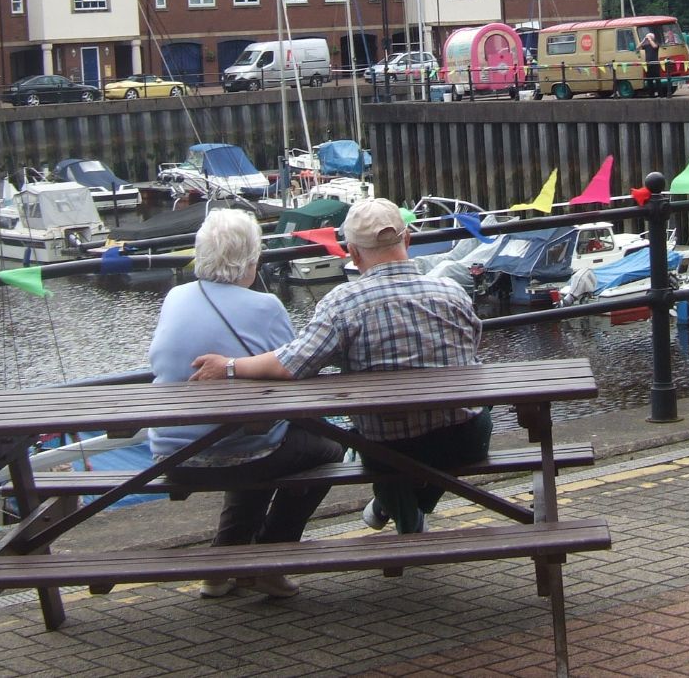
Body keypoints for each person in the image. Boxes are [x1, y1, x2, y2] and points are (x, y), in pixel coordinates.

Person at [190, 198, 488, 536]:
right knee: (461, 424)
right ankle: (402, 510)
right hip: (465, 440)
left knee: (379, 445)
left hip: (390, 446)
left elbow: (292, 364)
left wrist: (229, 366)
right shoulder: (453, 292)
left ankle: (400, 512)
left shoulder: (343, 303)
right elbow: (472, 349)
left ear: (353, 253)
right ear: (407, 240)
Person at [148, 208, 344, 599]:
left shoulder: (175, 297)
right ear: (252, 260)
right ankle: (270, 560)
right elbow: (297, 373)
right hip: (237, 452)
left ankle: (223, 568)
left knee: (256, 436)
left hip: (172, 453)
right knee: (325, 451)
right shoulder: (265, 307)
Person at [638, 32, 666, 97]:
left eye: (649, 37)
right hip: (648, 64)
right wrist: (643, 40)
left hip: (655, 64)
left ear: (652, 38)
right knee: (649, 80)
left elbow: (654, 47)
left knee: (657, 80)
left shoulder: (656, 43)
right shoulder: (646, 45)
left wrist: (650, 39)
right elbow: (638, 47)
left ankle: (660, 94)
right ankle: (651, 94)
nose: (648, 39)